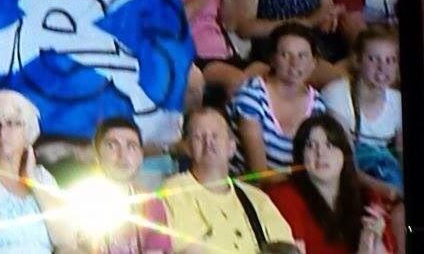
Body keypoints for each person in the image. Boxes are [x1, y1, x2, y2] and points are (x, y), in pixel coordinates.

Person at [162, 107, 294, 252]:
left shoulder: (257, 199)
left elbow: (285, 249)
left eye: (215, 135)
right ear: (187, 147)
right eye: (199, 137)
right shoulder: (174, 192)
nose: (208, 142)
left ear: (232, 147)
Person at [0, 90, 75, 253]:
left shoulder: (42, 177)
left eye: (12, 123)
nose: (2, 132)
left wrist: (33, 181)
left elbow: (66, 239)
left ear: (27, 129)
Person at [266, 114, 394, 253]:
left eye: (330, 145)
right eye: (310, 146)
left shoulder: (367, 197)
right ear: (300, 157)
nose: (321, 153)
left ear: (344, 154)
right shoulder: (285, 196)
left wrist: (372, 240)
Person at [230, 23, 327, 176]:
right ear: (272, 59)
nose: (294, 63)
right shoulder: (251, 96)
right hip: (252, 189)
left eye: (302, 55)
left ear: (313, 63)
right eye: (285, 55)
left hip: (294, 187)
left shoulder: (318, 106)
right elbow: (259, 174)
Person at [321, 25, 402, 200]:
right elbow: (347, 166)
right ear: (358, 60)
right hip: (350, 180)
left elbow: (402, 154)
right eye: (373, 59)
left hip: (387, 177)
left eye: (390, 60)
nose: (383, 68)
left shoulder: (398, 102)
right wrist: (387, 190)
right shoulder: (337, 96)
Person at [84, 117, 171, 253]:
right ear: (97, 155)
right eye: (112, 145)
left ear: (141, 156)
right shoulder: (81, 201)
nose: (123, 155)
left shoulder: (151, 203)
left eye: (131, 146)